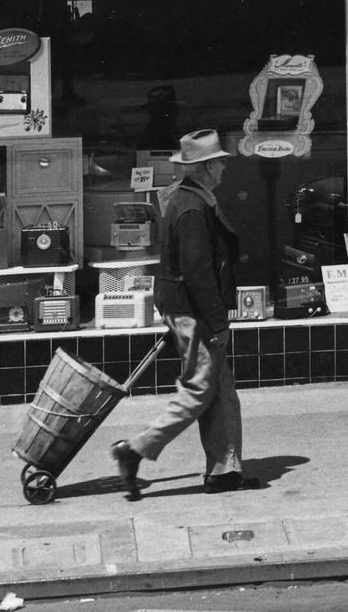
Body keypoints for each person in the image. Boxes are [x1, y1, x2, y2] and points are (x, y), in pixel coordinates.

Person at [111, 130, 262, 497]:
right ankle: (135, 449)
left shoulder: (190, 199)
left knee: (221, 389)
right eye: (220, 162)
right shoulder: (192, 207)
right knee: (199, 390)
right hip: (194, 312)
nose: (224, 167)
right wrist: (218, 321)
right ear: (207, 167)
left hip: (189, 309)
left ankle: (224, 470)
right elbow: (198, 271)